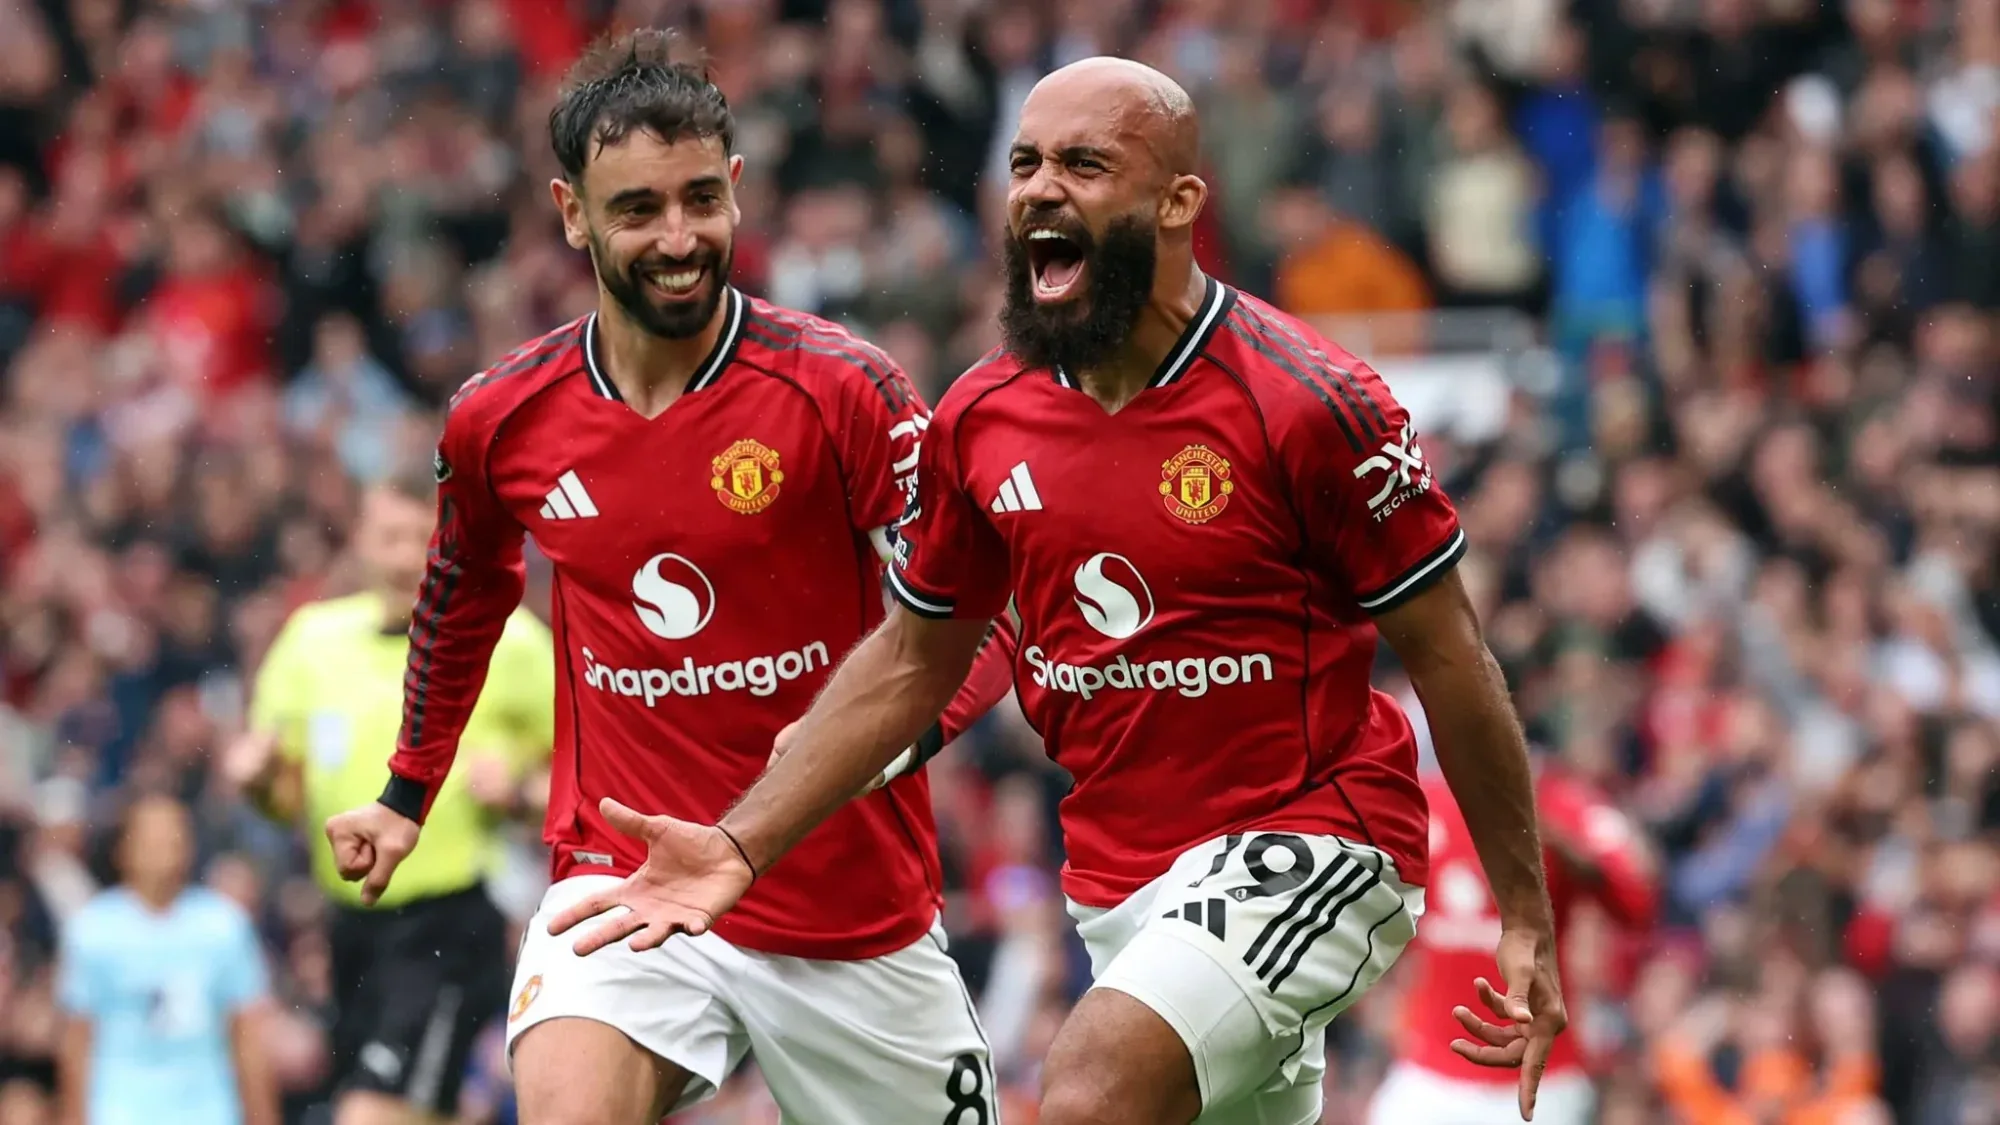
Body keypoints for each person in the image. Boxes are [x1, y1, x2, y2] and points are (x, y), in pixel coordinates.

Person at [552, 56, 1571, 1125]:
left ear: (1177, 202)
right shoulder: (981, 417)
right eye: (1027, 163)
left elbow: (1451, 657)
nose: (1039, 188)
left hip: (1317, 835)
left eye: (1083, 164)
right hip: (1118, 886)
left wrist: (1523, 915)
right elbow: (913, 658)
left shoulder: (1309, 404)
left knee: (1085, 1087)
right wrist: (738, 844)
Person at [321, 31, 1014, 1125]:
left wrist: (890, 743)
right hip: (623, 873)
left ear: (736, 189)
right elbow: (461, 598)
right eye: (638, 209)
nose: (679, 237)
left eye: (701, 199)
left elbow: (987, 610)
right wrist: (410, 789)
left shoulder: (845, 392)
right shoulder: (501, 419)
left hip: (845, 902)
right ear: (570, 213)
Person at [227, 465, 555, 1125]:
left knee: (371, 1112)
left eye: (421, 536)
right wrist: (261, 778)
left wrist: (519, 791)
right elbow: (286, 800)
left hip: (450, 919)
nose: (407, 554)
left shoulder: (510, 640)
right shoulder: (311, 641)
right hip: (349, 925)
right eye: (390, 535)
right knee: (418, 1108)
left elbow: (585, 779)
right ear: (359, 539)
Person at [1368, 762, 1658, 1125]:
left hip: (1539, 1084)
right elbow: (1374, 914)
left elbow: (1638, 902)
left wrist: (1565, 850)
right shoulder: (1425, 803)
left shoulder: (1568, 806)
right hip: (1429, 1075)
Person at [55, 794, 277, 1125]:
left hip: (208, 1112)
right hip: (118, 1111)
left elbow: (248, 1037)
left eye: (174, 837)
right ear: (123, 849)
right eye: (151, 839)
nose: (164, 850)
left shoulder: (224, 926)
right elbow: (76, 1044)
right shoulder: (91, 930)